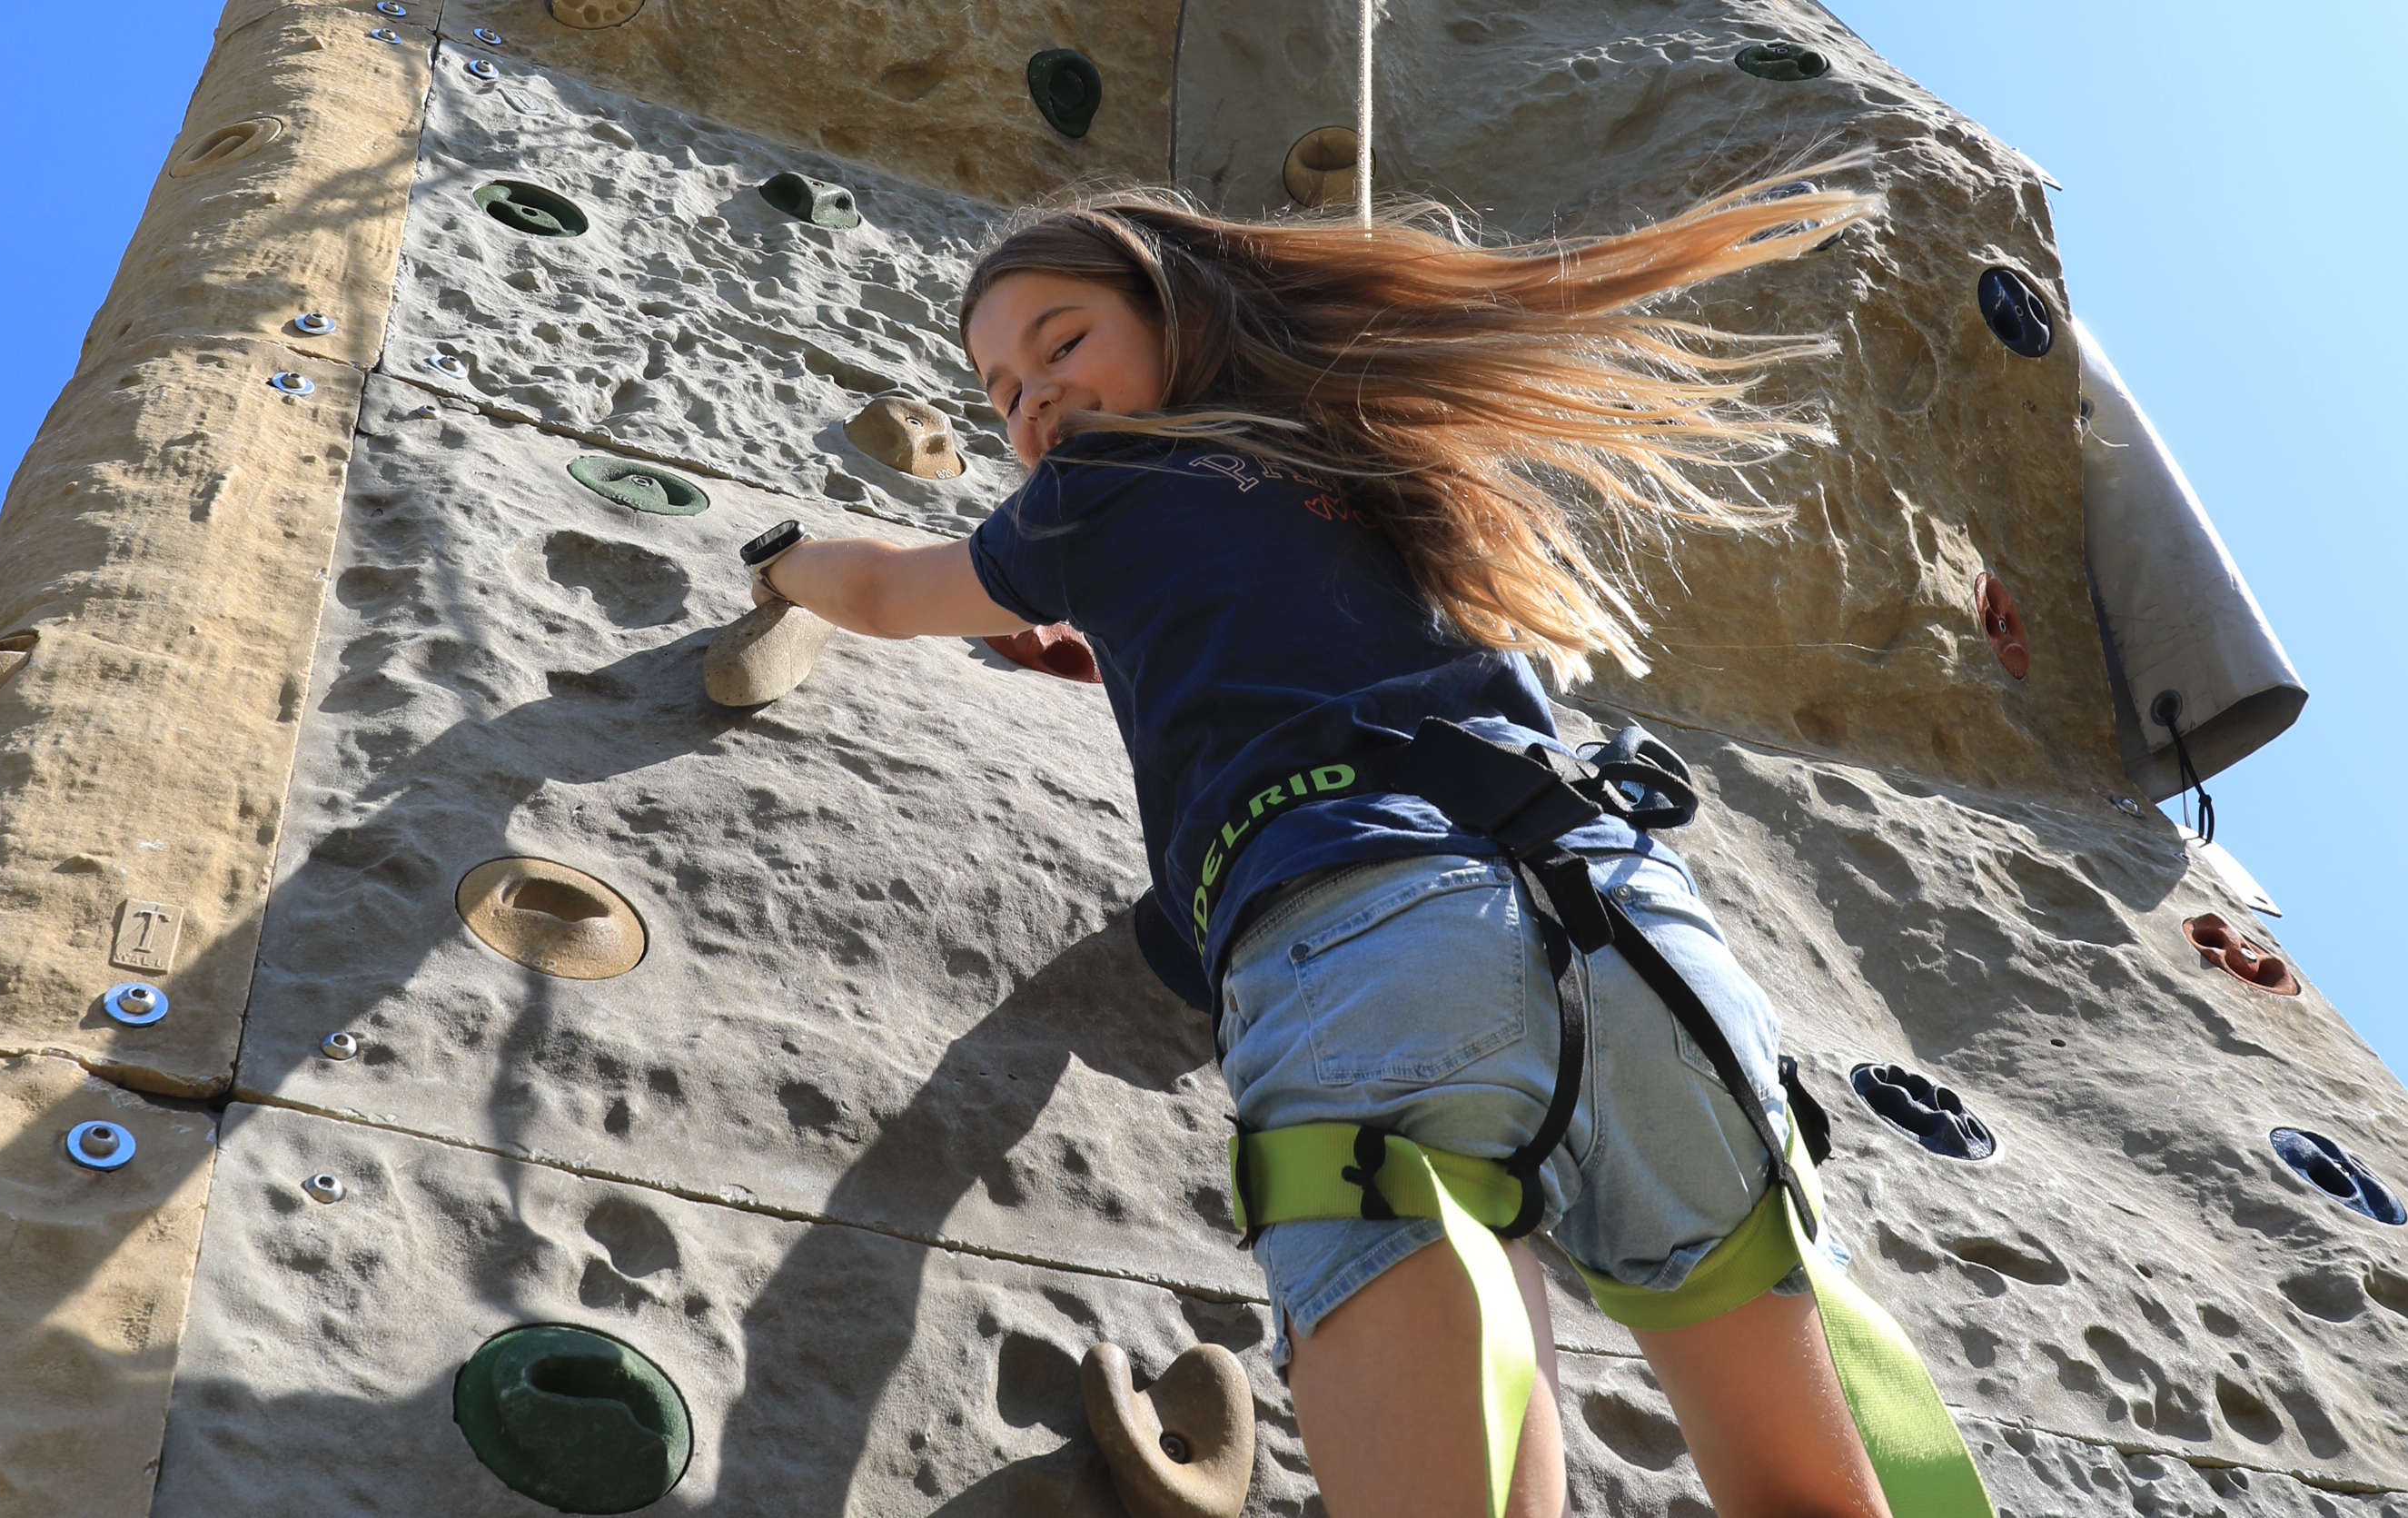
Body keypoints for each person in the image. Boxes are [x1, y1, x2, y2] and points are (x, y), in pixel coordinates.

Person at [750, 170, 1897, 1518]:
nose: (1035, 402)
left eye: (1061, 345)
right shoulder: (1382, 461)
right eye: (1002, 393)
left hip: (1378, 947)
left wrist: (781, 556)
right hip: (1637, 930)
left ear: (1177, 317)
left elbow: (888, 589)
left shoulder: (1101, 485)